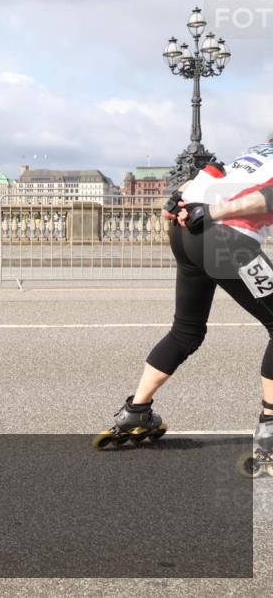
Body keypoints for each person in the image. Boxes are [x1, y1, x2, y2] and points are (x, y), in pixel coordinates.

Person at [95, 133, 273, 455]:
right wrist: (218, 213)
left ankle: (136, 411)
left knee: (186, 329)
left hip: (186, 230)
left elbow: (211, 172)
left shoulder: (256, 153)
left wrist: (175, 198)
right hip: (225, 239)